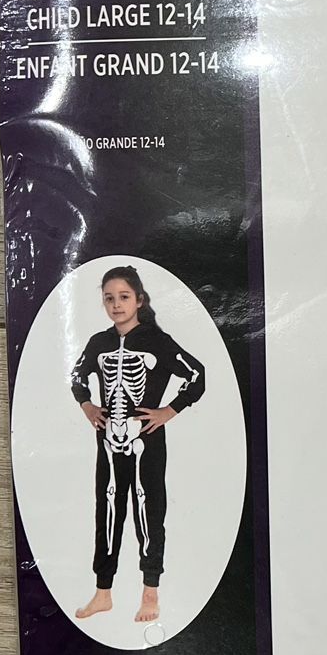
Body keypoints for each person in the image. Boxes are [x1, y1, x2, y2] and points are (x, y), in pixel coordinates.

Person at [71, 265, 205, 625]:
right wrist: (87, 406)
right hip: (108, 439)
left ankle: (150, 592)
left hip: (146, 438)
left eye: (124, 297)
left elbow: (197, 375)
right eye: (109, 298)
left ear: (139, 300)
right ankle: (103, 592)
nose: (116, 304)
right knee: (108, 508)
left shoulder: (157, 341)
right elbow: (77, 376)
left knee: (149, 508)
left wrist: (168, 411)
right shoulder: (98, 343)